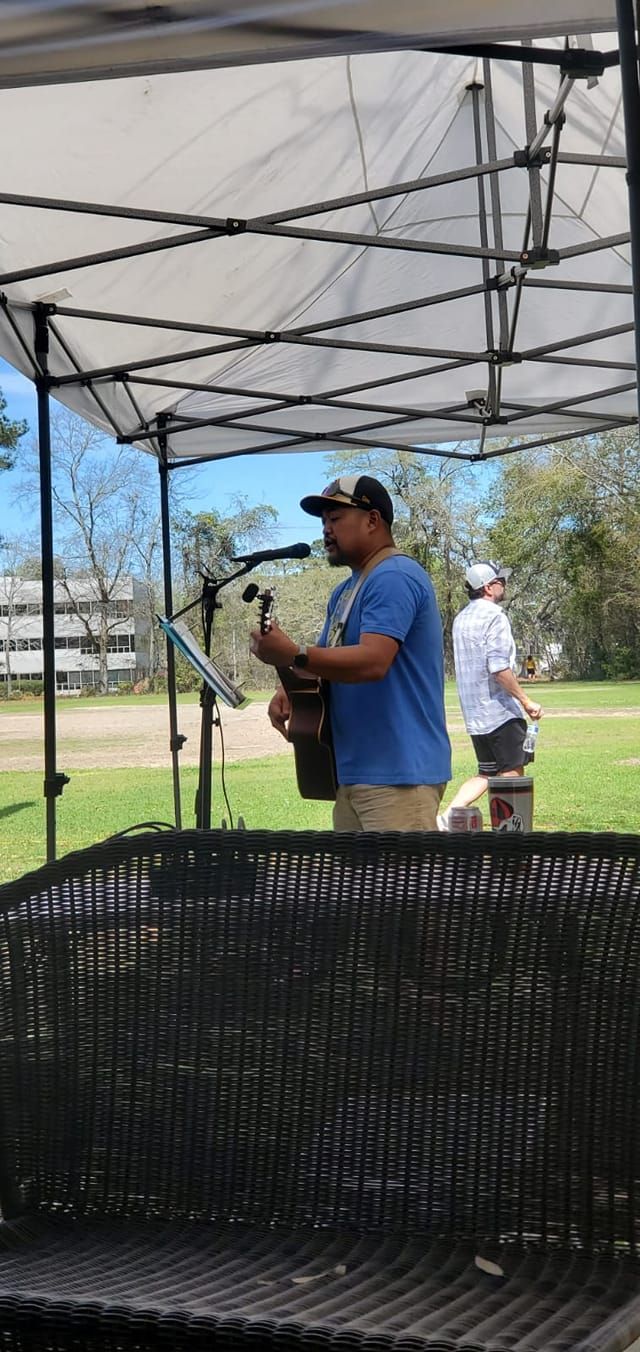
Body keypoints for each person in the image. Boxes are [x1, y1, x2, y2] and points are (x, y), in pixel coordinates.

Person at [250, 474, 451, 832]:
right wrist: (291, 689)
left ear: (372, 520)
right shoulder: (346, 591)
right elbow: (326, 664)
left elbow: (373, 661)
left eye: (336, 519)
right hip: (355, 772)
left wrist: (294, 653)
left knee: (398, 889)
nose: (326, 529)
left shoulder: (395, 575)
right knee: (358, 890)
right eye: (324, 521)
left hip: (399, 775)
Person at [438, 560, 543, 829]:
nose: (504, 585)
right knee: (511, 774)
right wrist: (526, 700)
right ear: (488, 587)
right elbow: (499, 668)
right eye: (500, 581)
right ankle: (510, 839)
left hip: (475, 715)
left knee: (487, 772)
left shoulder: (461, 619)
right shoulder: (495, 616)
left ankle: (448, 817)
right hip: (499, 713)